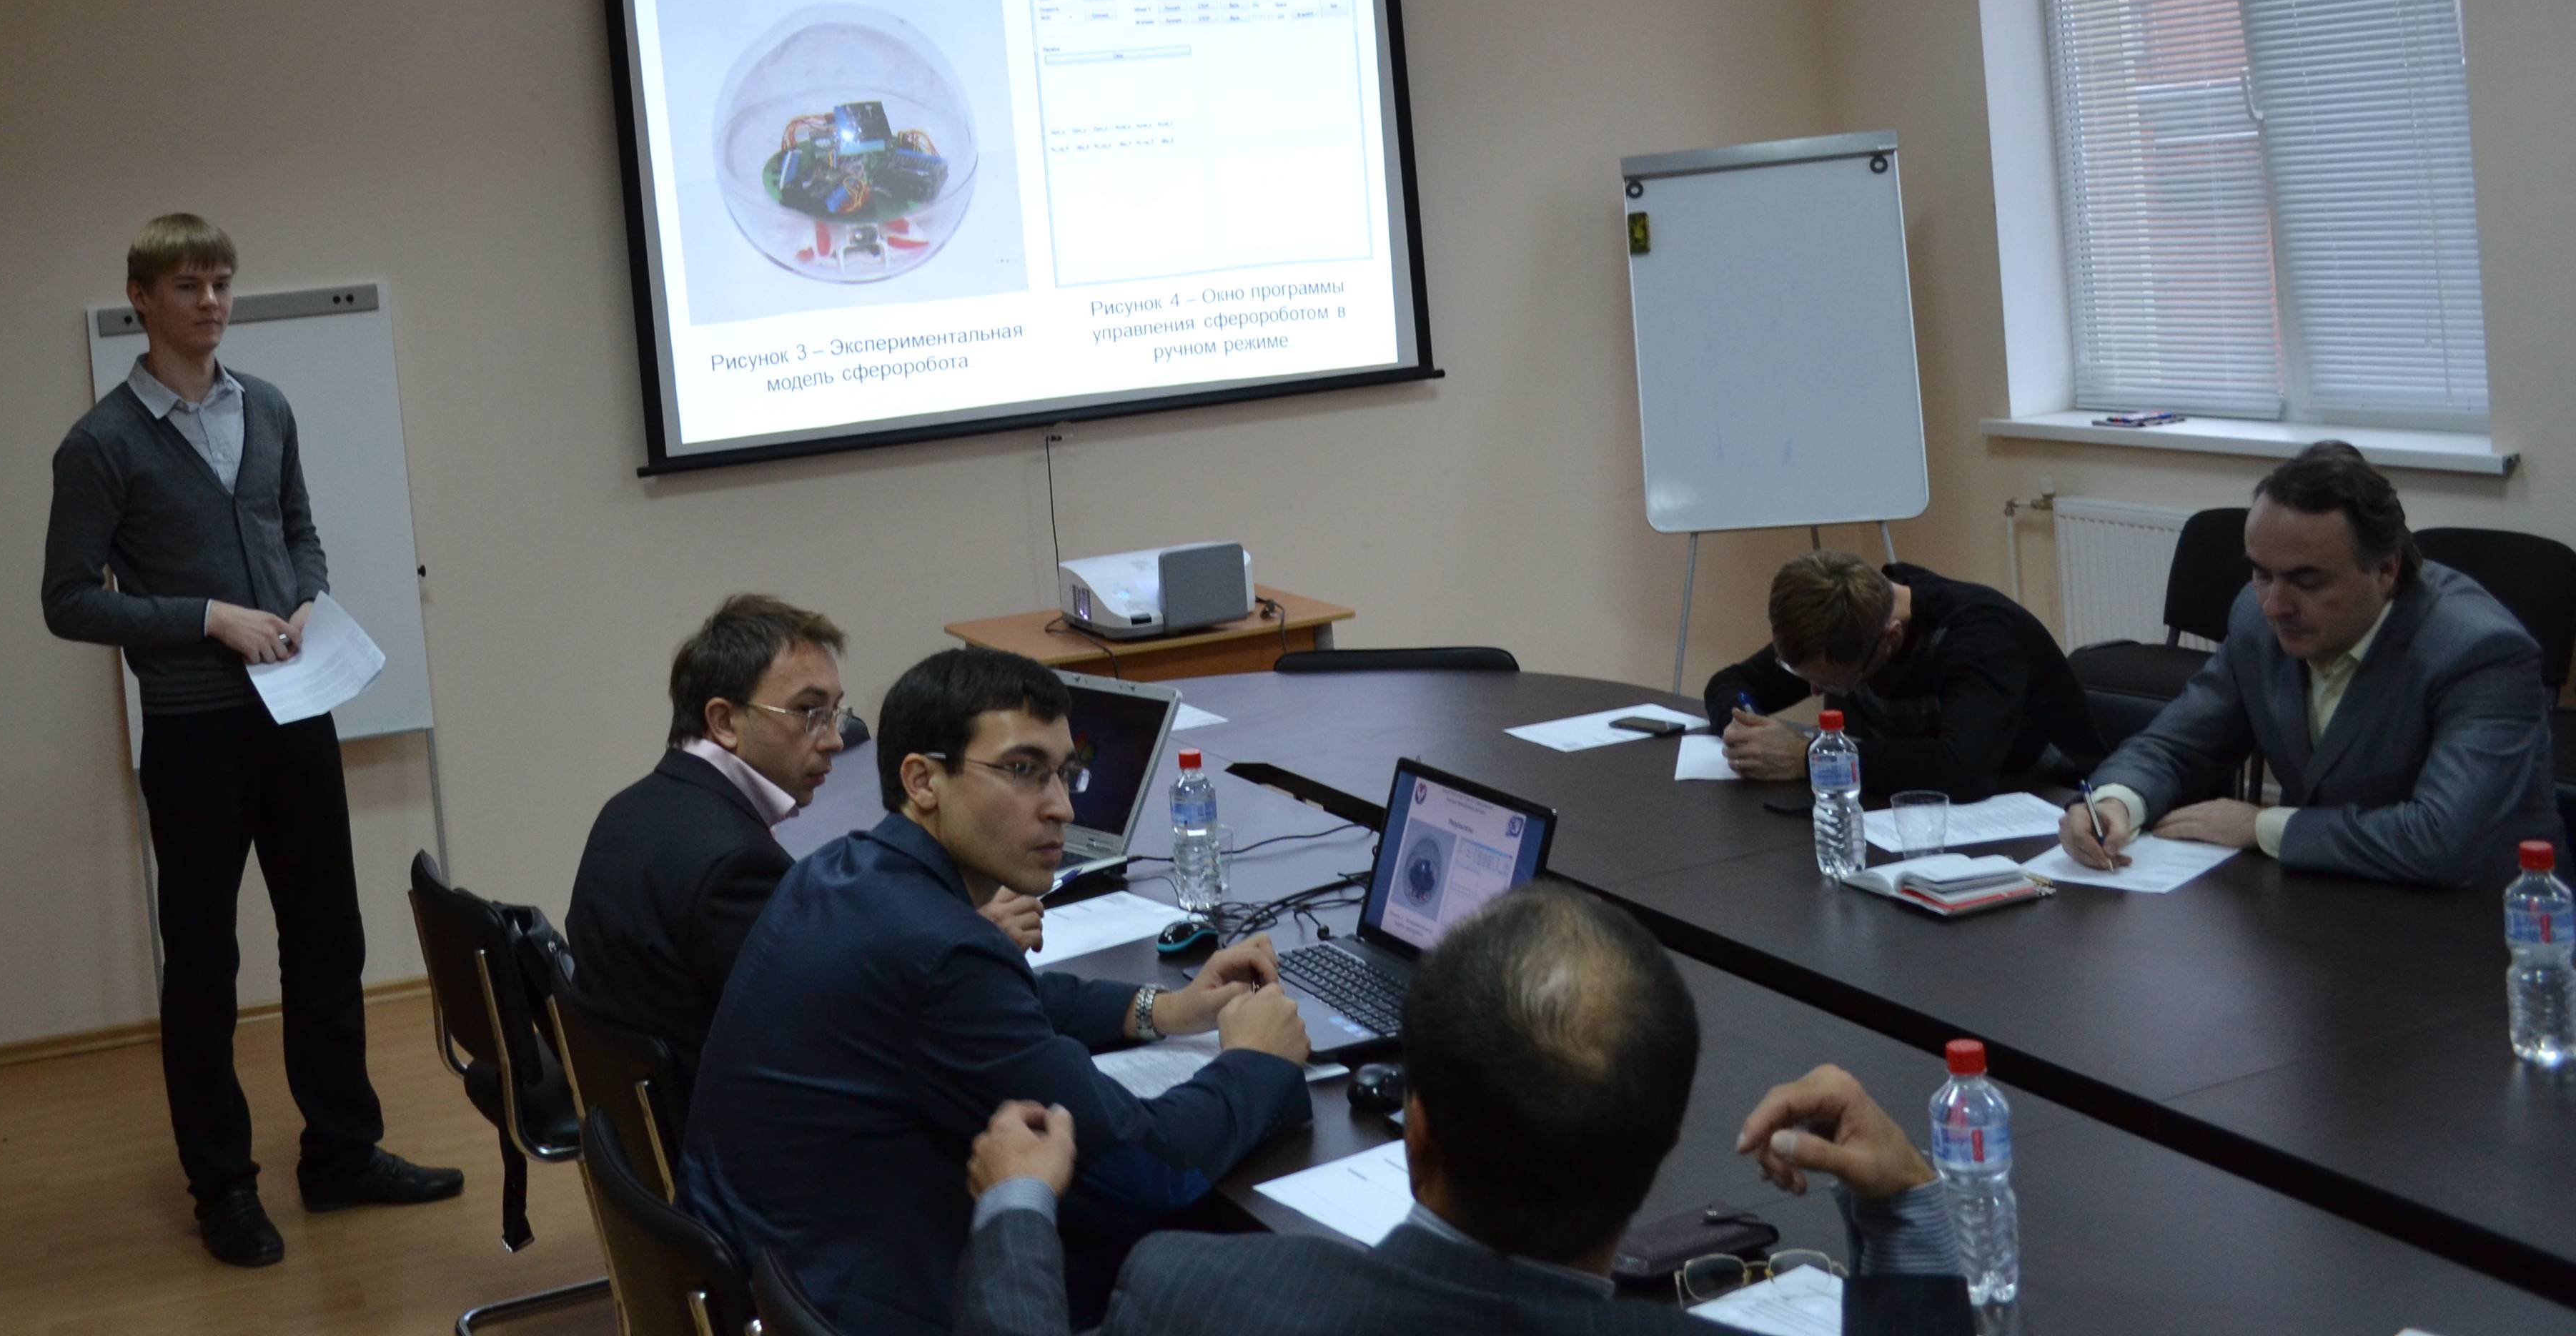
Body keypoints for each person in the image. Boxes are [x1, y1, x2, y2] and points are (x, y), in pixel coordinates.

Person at [953, 885, 1960, 1336]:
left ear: (1416, 1129)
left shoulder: (1188, 1291)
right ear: (1660, 1149)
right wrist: (1903, 1208)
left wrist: (1016, 1209)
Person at [40, 214, 462, 1266]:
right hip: (193, 734)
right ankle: (223, 1186)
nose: (212, 302)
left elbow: (298, 529)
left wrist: (308, 595)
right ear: (141, 299)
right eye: (189, 286)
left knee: (327, 937)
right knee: (204, 961)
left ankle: (341, 1154)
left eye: (222, 282)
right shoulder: (100, 445)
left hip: (297, 712)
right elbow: (67, 601)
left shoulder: (265, 407)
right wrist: (206, 618)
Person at [677, 647, 1313, 1336]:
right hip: (871, 1304)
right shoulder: (937, 952)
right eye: (1023, 771)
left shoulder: (842, 871)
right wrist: (1254, 1061)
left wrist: (1162, 1009)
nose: (1062, 807)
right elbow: (1151, 1166)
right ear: (923, 780)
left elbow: (1005, 997)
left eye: (1065, 774)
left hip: (781, 1276)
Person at [2059, 440, 2564, 889]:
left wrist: (2260, 826)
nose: (2276, 605)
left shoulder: (2481, 653)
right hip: (2332, 899)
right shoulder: (2257, 620)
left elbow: (2441, 839)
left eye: (2308, 581)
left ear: (2386, 569)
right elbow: (2178, 744)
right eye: (2262, 574)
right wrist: (2117, 802)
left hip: (2487, 925)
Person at [568, 597, 1043, 1072]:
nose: (835, 740)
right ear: (725, 722)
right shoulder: (735, 865)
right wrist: (971, 944)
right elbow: (841, 1028)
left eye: (835, 713)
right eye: (809, 712)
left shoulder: (631, 808)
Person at [1702, 551, 2102, 800]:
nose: (1814, 689)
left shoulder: (1981, 638)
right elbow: (1730, 682)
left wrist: (1813, 760)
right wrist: (1745, 728)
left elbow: (1964, 769)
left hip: (2050, 805)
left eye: (1835, 684)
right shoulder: (1838, 620)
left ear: (1889, 639)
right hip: (1911, 814)